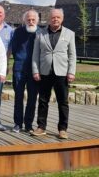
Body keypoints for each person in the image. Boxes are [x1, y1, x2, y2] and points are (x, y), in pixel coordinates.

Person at [32, 8, 76, 139]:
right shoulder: (40, 33)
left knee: (63, 102)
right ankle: (41, 127)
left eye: (58, 17)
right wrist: (35, 71)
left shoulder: (69, 34)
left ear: (62, 19)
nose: (55, 19)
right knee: (43, 100)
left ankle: (62, 129)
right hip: (45, 72)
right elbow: (35, 55)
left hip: (62, 73)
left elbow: (72, 55)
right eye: (53, 17)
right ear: (49, 18)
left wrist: (71, 72)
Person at [11, 10, 40, 133]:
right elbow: (14, 48)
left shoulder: (40, 33)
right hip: (19, 68)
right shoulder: (18, 32)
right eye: (28, 19)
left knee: (32, 98)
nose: (31, 21)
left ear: (37, 21)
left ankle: (28, 124)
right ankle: (18, 124)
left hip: (34, 70)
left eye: (33, 20)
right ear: (25, 20)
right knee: (18, 97)